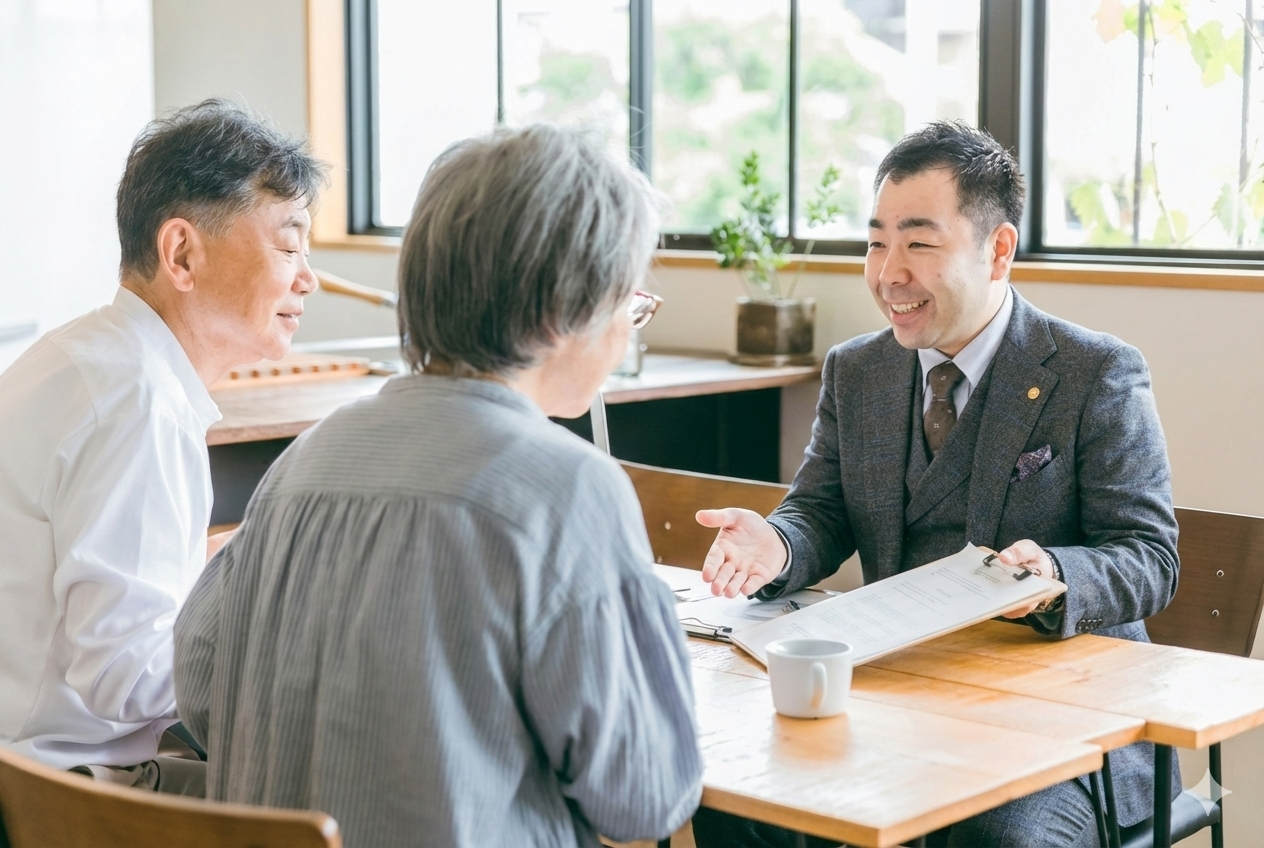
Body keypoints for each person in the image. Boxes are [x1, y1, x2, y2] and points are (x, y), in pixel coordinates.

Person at [173, 124, 702, 847]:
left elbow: (200, 691)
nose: (627, 331)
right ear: (566, 307)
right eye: (629, 300)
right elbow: (644, 798)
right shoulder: (567, 487)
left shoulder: (306, 460)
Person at [692, 122, 1180, 847]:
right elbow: (821, 509)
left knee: (990, 839)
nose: (889, 273)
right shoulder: (858, 370)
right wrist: (779, 545)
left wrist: (1053, 574)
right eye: (875, 242)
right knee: (731, 800)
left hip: (1057, 733)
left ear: (999, 251)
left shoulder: (1093, 372)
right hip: (893, 701)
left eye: (919, 244)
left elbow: (1150, 556)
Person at [0, 99, 325, 796]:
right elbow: (125, 674)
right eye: (289, 245)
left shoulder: (84, 358)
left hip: (30, 763)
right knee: (341, 789)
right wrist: (292, 644)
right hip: (59, 792)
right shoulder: (138, 404)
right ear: (182, 252)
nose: (309, 279)